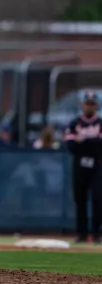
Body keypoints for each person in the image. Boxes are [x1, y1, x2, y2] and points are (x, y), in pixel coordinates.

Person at [64, 91, 102, 244]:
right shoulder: (75, 123)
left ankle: (97, 234)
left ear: (96, 105)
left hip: (98, 165)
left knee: (98, 199)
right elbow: (71, 145)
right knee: (80, 199)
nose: (89, 106)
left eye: (92, 104)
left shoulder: (100, 122)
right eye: (87, 103)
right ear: (82, 104)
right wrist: (91, 141)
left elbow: (99, 146)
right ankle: (81, 233)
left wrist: (84, 141)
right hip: (80, 166)